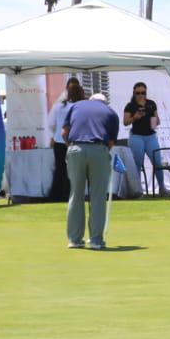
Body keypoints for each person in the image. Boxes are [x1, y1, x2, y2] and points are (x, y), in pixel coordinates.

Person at [62, 89, 120, 249]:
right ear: (104, 103)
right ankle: (95, 240)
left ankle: (74, 239)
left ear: (91, 100)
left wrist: (72, 147)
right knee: (98, 196)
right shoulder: (111, 113)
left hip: (75, 149)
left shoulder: (75, 106)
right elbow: (111, 143)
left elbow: (64, 132)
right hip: (98, 149)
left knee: (76, 194)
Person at [123, 82, 164, 195]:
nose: (141, 95)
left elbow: (156, 121)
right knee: (137, 164)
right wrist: (135, 117)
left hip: (150, 136)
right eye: (138, 93)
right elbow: (125, 122)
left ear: (146, 93)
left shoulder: (151, 103)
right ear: (134, 93)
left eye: (143, 93)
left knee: (158, 162)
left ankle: (162, 188)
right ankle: (138, 190)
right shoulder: (130, 106)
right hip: (136, 137)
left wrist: (156, 120)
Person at [48, 78, 83, 202]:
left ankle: (55, 197)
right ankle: (69, 195)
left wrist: (54, 135)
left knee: (60, 170)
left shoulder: (58, 106)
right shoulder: (81, 106)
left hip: (59, 142)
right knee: (72, 172)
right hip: (75, 143)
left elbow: (51, 124)